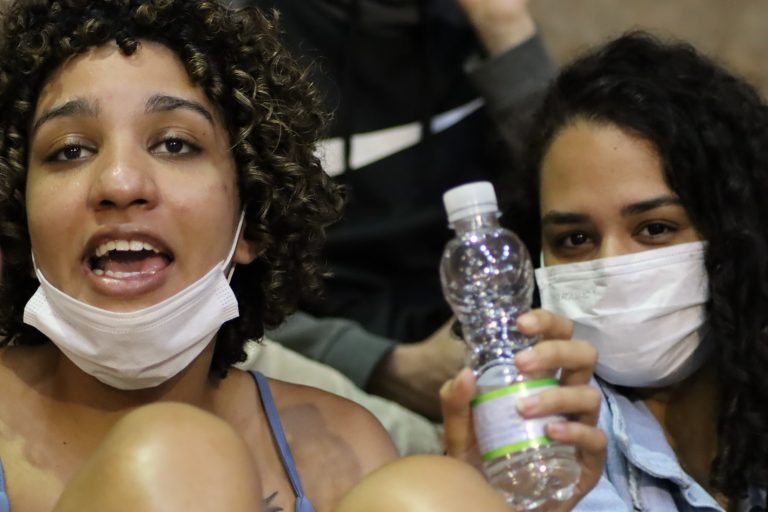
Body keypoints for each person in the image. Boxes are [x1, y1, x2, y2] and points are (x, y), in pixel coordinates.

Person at [0, 1, 605, 510]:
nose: (120, 182)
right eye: (70, 151)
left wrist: (504, 497)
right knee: (174, 456)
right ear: (18, 213)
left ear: (251, 223)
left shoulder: (348, 450)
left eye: (176, 144)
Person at [238, 0, 557, 420]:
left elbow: (576, 209)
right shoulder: (244, 30)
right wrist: (381, 364)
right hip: (323, 372)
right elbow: (209, 278)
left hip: (493, 352)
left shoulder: (475, 29)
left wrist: (505, 27)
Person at [521, 31, 768, 510]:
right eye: (576, 239)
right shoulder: (539, 442)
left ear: (736, 233)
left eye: (655, 228)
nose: (612, 265)